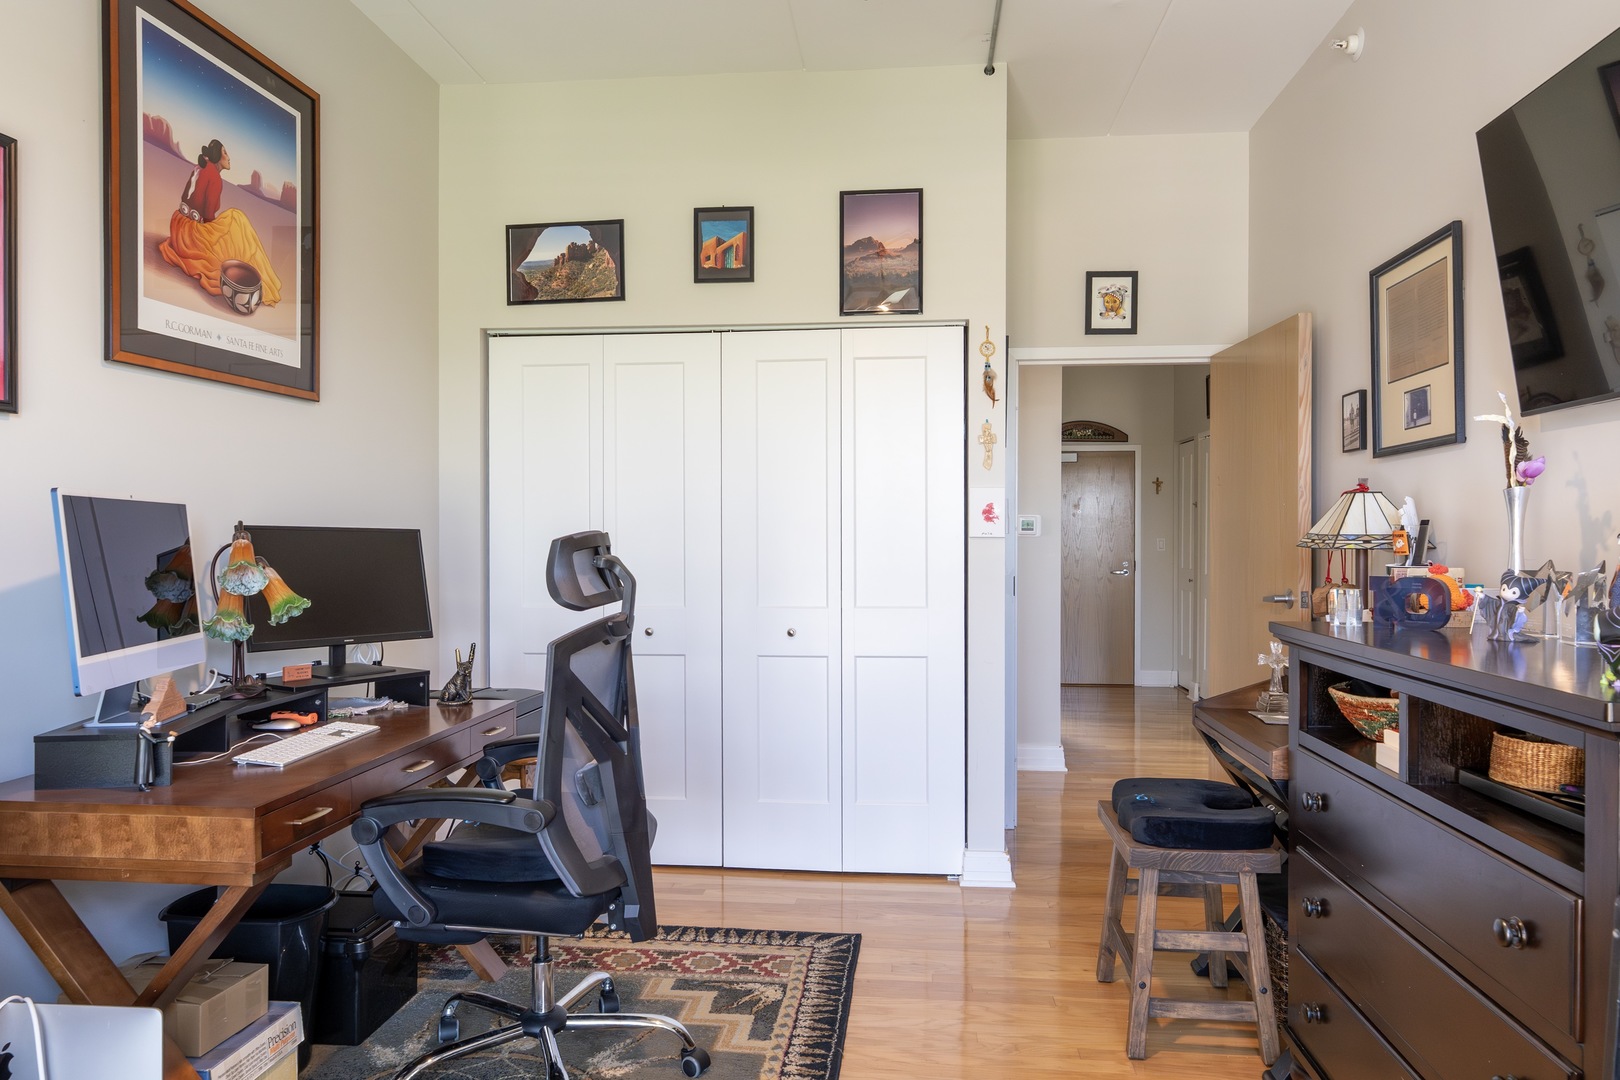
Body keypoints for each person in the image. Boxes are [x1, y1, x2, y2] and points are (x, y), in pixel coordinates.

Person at [159, 139, 282, 307]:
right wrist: (217, 231)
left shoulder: (201, 167)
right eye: (225, 153)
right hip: (190, 235)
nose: (229, 157)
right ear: (218, 156)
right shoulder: (215, 177)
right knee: (237, 218)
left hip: (178, 225)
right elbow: (209, 214)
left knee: (232, 223)